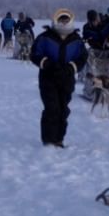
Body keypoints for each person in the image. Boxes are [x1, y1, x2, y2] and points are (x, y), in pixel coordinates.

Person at [30, 9, 88, 147]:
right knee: (52, 108)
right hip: (48, 78)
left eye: (65, 20)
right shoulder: (45, 37)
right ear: (56, 20)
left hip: (67, 78)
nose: (63, 22)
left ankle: (59, 139)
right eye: (61, 20)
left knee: (63, 109)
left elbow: (83, 57)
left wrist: (71, 68)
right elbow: (34, 54)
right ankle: (48, 140)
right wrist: (47, 64)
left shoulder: (76, 40)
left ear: (70, 21)